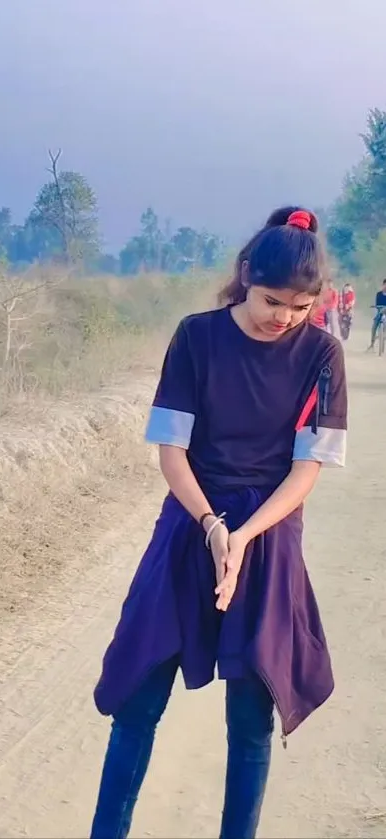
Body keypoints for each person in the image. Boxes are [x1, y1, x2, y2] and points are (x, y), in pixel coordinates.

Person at [90, 207, 348, 839]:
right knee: (138, 699)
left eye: (299, 306)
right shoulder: (196, 336)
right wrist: (210, 524)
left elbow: (306, 470)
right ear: (244, 277)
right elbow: (172, 450)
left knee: (251, 717)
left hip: (268, 535)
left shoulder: (322, 353)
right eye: (271, 300)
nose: (282, 318)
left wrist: (244, 536)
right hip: (189, 523)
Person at [369, 278, 386, 349]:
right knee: (374, 327)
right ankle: (372, 343)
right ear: (383, 285)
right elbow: (377, 304)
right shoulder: (378, 294)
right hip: (380, 312)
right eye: (385, 285)